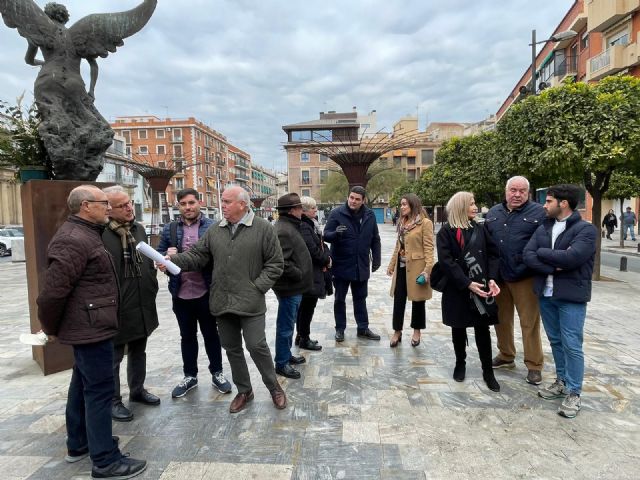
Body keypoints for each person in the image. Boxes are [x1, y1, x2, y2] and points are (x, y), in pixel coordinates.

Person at [37, 185, 146, 479]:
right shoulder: (73, 239)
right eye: (103, 203)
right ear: (86, 206)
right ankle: (105, 461)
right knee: (99, 392)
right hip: (90, 328)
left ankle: (80, 444)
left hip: (93, 324)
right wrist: (51, 328)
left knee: (81, 386)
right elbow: (52, 294)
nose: (108, 208)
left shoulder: (86, 233)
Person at [0, 1, 157, 180]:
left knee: (55, 124)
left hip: (48, 79)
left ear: (48, 15)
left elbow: (29, 59)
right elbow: (93, 64)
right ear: (65, 17)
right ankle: (81, 161)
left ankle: (65, 161)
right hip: (75, 82)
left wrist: (43, 64)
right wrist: (91, 91)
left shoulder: (40, 27)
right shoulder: (83, 30)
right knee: (92, 123)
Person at [166, 186, 287, 413]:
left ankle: (274, 388)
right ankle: (244, 391)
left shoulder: (263, 228)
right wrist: (174, 260)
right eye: (222, 201)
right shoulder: (216, 230)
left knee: (256, 345)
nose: (223, 205)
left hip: (250, 302)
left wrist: (257, 287)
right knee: (231, 348)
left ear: (243, 204)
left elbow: (275, 264)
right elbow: (198, 256)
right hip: (222, 301)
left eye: (227, 201)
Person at [523, 184, 597, 418]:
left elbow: (573, 258)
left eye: (549, 201)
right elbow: (528, 254)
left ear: (563, 204)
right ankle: (562, 381)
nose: (544, 206)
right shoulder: (545, 226)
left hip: (571, 297)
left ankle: (574, 392)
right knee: (555, 340)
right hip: (546, 294)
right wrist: (555, 263)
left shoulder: (586, 230)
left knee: (572, 344)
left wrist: (544, 254)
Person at [156, 188, 232, 398]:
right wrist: (163, 259)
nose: (187, 207)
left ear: (199, 203)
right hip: (180, 292)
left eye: (191, 203)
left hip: (206, 291)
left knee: (211, 334)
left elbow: (223, 256)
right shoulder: (170, 229)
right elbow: (161, 254)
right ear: (177, 206)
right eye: (183, 204)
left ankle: (217, 373)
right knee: (186, 336)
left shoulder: (214, 227)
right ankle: (190, 376)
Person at [102, 186, 159, 422]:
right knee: (113, 358)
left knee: (139, 350)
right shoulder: (101, 234)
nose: (129, 208)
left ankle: (137, 390)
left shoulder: (139, 230)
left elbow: (146, 261)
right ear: (108, 210)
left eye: (130, 202)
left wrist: (152, 281)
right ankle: (113, 400)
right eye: (122, 205)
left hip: (142, 303)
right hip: (116, 308)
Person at [436, 192, 501, 392]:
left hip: (481, 286)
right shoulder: (446, 232)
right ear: (460, 207)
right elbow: (446, 262)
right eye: (471, 204)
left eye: (475, 203)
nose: (475, 207)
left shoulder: (480, 229)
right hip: (458, 288)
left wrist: (491, 278)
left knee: (483, 329)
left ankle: (488, 371)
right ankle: (460, 363)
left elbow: (493, 254)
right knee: (458, 327)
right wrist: (466, 283)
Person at [485, 176, 546, 385]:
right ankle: (506, 355)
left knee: (529, 322)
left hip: (525, 277)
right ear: (506, 191)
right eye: (513, 190)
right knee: (501, 319)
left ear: (528, 193)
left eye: (522, 191)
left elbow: (544, 244)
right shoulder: (493, 213)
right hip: (498, 278)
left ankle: (534, 365)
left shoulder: (539, 213)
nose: (517, 194)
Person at [324, 186, 382, 342]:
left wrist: (376, 259)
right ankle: (340, 329)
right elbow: (326, 235)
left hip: (360, 264)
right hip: (341, 264)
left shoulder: (369, 215)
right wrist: (336, 234)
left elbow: (375, 238)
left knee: (360, 298)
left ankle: (363, 328)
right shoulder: (337, 213)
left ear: (363, 200)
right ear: (348, 197)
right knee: (339, 299)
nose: (353, 201)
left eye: (357, 199)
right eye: (351, 197)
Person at [272, 193, 313, 379]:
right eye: (299, 208)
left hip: (294, 287)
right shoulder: (283, 230)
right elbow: (281, 262)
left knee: (289, 323)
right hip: (289, 287)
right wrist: (298, 274)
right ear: (292, 210)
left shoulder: (289, 226)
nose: (302, 211)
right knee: (286, 326)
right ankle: (281, 363)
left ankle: (286, 355)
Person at [386, 194, 434, 348]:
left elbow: (429, 248)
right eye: (401, 204)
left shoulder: (425, 223)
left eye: (404, 204)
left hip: (418, 268)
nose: (402, 207)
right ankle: (397, 331)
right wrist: (391, 265)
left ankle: (417, 331)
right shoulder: (402, 222)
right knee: (398, 300)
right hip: (401, 269)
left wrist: (427, 270)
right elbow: (398, 246)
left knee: (418, 301)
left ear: (413, 205)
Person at [295, 196, 332, 351]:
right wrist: (326, 260)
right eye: (313, 208)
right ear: (303, 210)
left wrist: (327, 254)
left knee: (306, 306)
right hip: (310, 273)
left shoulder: (311, 224)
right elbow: (312, 250)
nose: (316, 210)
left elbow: (321, 244)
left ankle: (301, 335)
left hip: (314, 272)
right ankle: (304, 338)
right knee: (307, 306)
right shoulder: (305, 226)